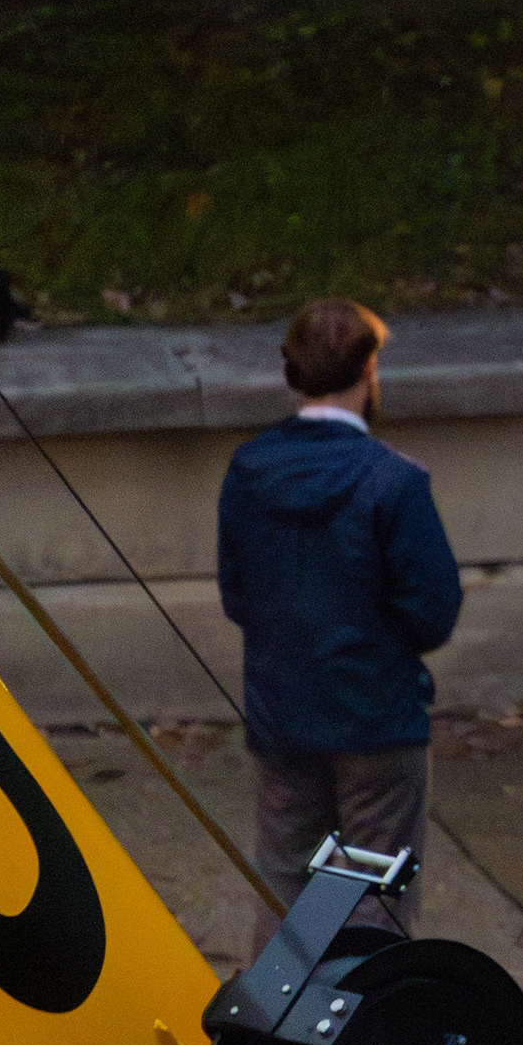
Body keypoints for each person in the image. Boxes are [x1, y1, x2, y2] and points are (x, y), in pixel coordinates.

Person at [217, 297, 463, 961]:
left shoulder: (249, 470)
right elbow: (433, 611)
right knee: (374, 893)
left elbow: (238, 594)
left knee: (286, 886)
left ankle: (274, 1042)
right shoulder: (394, 482)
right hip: (376, 715)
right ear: (369, 369)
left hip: (282, 710)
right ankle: (364, 1034)